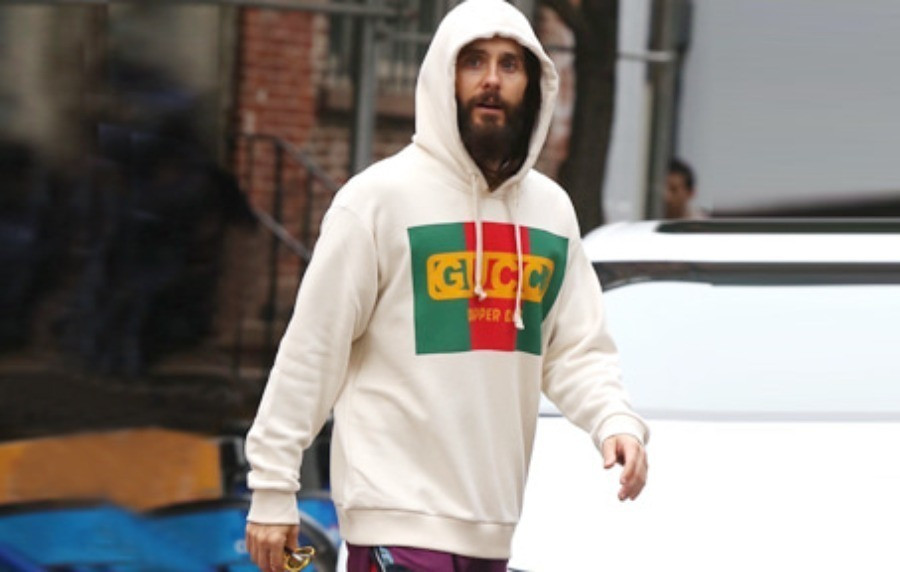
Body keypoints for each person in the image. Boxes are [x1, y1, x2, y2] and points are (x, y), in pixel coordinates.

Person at [244, 1, 649, 571]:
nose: (491, 79)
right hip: (395, 517)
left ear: (534, 84)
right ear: (443, 76)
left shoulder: (550, 213)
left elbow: (574, 349)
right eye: (474, 61)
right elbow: (314, 349)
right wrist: (272, 485)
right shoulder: (377, 201)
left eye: (510, 65)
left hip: (492, 528)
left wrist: (613, 420)